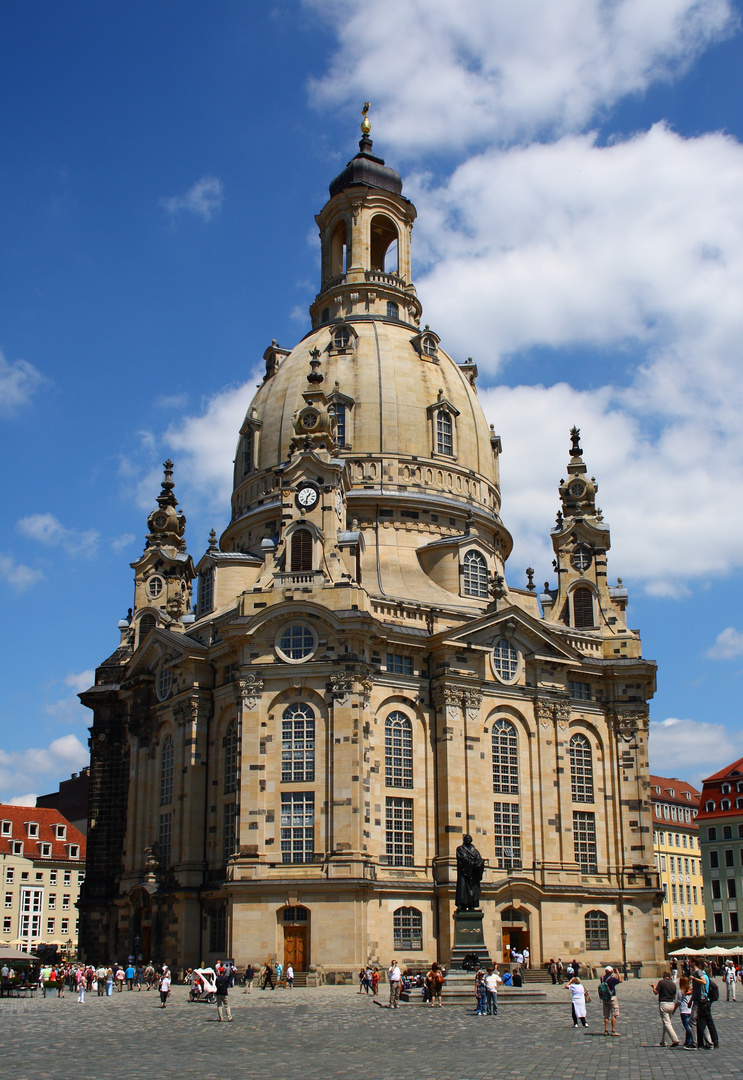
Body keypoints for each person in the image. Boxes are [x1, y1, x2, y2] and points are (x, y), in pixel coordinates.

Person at [455, 835, 485, 910]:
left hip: (473, 874)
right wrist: (474, 863)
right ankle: (462, 904)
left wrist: (479, 863)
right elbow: (463, 859)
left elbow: (479, 859)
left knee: (474, 889)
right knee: (463, 888)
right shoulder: (460, 849)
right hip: (464, 873)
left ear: (471, 840)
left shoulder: (475, 851)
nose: (468, 840)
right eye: (466, 838)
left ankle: (472, 904)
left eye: (469, 838)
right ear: (464, 840)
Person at [651, 971, 680, 1047]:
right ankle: (664, 1041)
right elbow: (674, 996)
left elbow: (656, 992)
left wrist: (653, 987)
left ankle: (675, 1039)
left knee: (667, 1023)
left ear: (663, 976)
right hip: (671, 1004)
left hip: (664, 1004)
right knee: (666, 1023)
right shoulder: (673, 984)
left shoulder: (661, 982)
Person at [599, 965, 622, 1036]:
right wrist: (618, 973)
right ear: (611, 971)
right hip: (612, 998)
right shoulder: (612, 979)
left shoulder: (602, 978)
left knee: (606, 1015)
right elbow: (620, 980)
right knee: (613, 1015)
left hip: (605, 998)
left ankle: (606, 1031)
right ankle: (613, 1031)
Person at [676, 976, 693, 1047]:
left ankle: (692, 1040)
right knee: (689, 1026)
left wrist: (674, 1010)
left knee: (687, 1027)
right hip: (690, 1010)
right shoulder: (690, 990)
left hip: (684, 1011)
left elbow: (678, 1002)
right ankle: (687, 1041)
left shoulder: (680, 991)